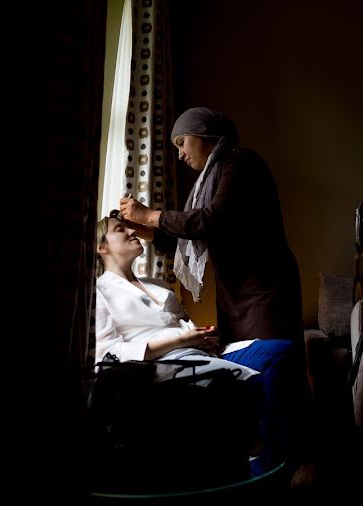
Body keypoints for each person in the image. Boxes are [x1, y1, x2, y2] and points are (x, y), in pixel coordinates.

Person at [116, 107, 310, 469]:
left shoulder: (241, 163)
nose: (180, 153)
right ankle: (259, 455)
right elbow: (198, 241)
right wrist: (153, 233)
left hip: (264, 287)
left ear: (205, 135)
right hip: (235, 289)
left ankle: (292, 457)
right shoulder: (209, 178)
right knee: (248, 378)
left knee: (274, 368)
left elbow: (214, 221)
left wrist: (151, 216)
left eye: (182, 142)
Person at [95, 210, 303, 474]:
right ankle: (270, 466)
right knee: (254, 385)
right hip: (163, 361)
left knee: (281, 352)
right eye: (119, 230)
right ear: (102, 247)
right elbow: (109, 352)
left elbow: (183, 322)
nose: (132, 231)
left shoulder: (155, 284)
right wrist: (179, 341)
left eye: (129, 228)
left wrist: (204, 335)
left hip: (199, 349)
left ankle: (275, 459)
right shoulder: (100, 292)